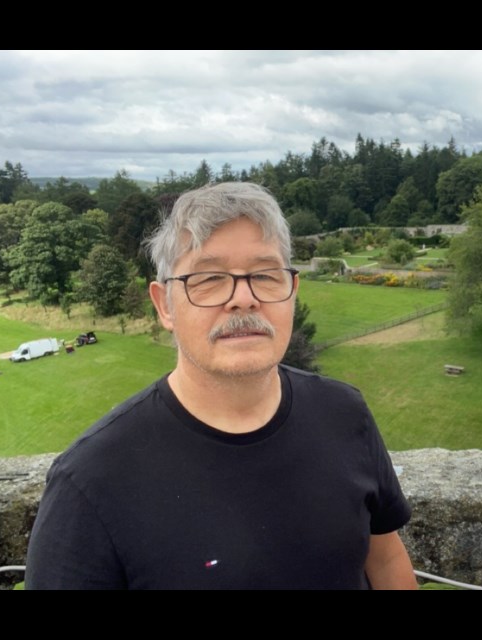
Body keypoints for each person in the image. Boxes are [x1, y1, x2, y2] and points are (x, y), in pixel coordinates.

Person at [26, 182, 416, 589]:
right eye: (209, 279)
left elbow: (385, 561)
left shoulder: (344, 412)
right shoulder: (90, 482)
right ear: (164, 305)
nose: (243, 298)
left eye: (264, 275)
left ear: (292, 292)